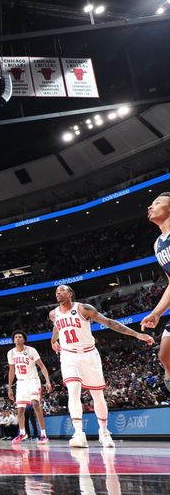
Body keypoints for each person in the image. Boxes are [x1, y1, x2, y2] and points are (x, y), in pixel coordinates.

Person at [50, 284, 154, 448]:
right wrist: (53, 340)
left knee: (97, 395)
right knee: (73, 391)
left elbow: (110, 323)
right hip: (68, 355)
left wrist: (137, 334)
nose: (58, 293)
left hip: (89, 355)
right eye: (56, 291)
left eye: (61, 290)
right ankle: (79, 434)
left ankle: (104, 432)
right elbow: (56, 327)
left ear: (70, 294)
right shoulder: (53, 314)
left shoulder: (84, 309)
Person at [140, 192, 170, 390]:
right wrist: (156, 313)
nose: (151, 207)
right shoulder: (158, 244)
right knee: (164, 354)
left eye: (157, 203)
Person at [6, 330, 52, 445]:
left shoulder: (31, 350)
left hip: (33, 381)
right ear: (13, 340)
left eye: (20, 336)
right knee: (20, 409)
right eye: (15, 337)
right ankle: (23, 433)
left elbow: (42, 366)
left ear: (24, 340)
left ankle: (43, 434)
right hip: (20, 382)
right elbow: (11, 370)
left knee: (35, 404)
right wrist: (10, 387)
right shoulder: (11, 353)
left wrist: (47, 381)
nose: (17, 338)